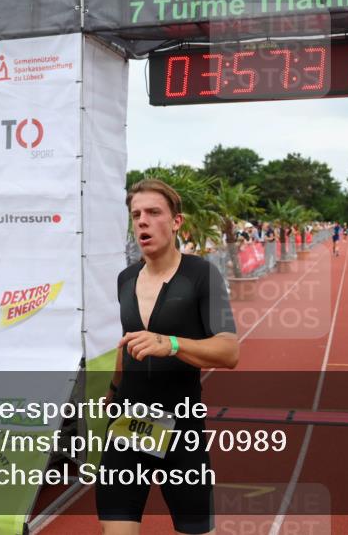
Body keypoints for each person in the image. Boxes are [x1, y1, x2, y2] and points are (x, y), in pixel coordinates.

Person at [98, 179, 238, 535]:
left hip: (181, 428)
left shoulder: (201, 275)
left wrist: (172, 343)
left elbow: (229, 351)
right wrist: (113, 390)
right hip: (128, 427)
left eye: (153, 213)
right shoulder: (125, 279)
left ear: (176, 222)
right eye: (136, 215)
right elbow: (128, 341)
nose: (142, 221)